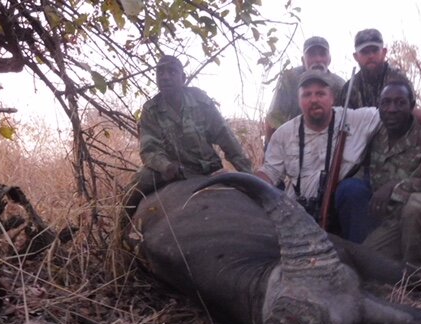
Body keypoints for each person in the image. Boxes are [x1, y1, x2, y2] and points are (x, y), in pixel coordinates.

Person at [358, 78, 421, 269]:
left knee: (416, 205)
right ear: (379, 107)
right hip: (394, 218)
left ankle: (415, 272)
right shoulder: (375, 134)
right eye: (386, 103)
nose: (392, 109)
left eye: (400, 102)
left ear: (412, 106)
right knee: (366, 260)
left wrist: (397, 188)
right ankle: (409, 258)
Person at [129, 55, 251, 210]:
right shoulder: (150, 110)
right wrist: (166, 167)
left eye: (172, 72)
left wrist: (247, 174)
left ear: (183, 78)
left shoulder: (201, 101)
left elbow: (225, 137)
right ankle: (121, 228)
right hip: (170, 173)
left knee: (252, 191)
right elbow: (150, 150)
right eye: (160, 73)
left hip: (207, 169)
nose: (165, 77)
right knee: (135, 186)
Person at [256, 70, 380, 222]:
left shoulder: (355, 119)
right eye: (307, 95)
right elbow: (269, 173)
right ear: (299, 100)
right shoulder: (283, 134)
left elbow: (391, 112)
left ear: (332, 98)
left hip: (339, 208)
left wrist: (417, 111)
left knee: (353, 190)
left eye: (320, 94)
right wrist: (244, 183)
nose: (314, 99)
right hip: (299, 212)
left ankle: (358, 246)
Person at [338, 28, 421, 149]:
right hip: (361, 145)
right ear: (356, 57)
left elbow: (410, 110)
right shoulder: (348, 89)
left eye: (375, 50)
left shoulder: (398, 79)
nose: (370, 56)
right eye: (364, 52)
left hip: (395, 141)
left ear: (384, 52)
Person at [264, 36, 345, 145]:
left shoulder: (340, 85)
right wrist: (270, 151)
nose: (318, 59)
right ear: (303, 60)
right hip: (292, 144)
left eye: (322, 54)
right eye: (312, 55)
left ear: (329, 59)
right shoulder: (289, 78)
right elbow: (274, 120)